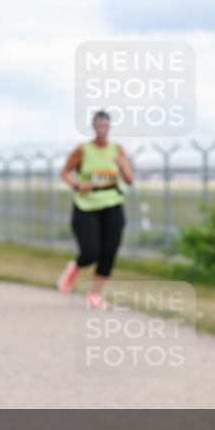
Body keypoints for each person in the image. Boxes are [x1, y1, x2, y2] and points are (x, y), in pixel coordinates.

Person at [56, 110, 133, 310]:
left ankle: (95, 295)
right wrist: (76, 185)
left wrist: (123, 166)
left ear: (109, 127)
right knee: (91, 251)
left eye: (105, 125)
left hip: (112, 203)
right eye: (99, 125)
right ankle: (75, 267)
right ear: (93, 126)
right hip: (86, 205)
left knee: (109, 251)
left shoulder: (117, 150)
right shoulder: (83, 150)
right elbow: (65, 172)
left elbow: (129, 180)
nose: (102, 129)